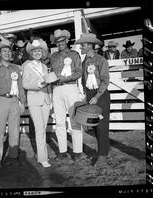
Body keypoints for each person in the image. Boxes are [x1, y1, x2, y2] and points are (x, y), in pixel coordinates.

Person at [0, 41, 26, 168]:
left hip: (14, 101)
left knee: (14, 130)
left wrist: (22, 102)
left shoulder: (16, 69)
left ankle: (13, 157)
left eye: (9, 51)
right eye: (4, 51)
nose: (7, 53)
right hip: (0, 101)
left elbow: (20, 87)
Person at [75, 33, 110, 167]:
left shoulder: (101, 60)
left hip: (100, 96)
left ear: (89, 45)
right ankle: (103, 151)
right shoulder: (84, 62)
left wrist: (96, 96)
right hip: (90, 95)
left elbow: (105, 80)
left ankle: (102, 156)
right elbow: (84, 81)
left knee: (102, 126)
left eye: (82, 45)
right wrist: (86, 94)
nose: (81, 47)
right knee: (94, 126)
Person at [50, 29, 84, 162]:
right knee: (59, 121)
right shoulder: (53, 57)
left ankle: (77, 151)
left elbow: (79, 72)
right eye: (57, 42)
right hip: (57, 90)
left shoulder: (74, 54)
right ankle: (62, 151)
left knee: (75, 119)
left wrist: (65, 79)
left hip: (70, 88)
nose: (60, 43)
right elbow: (52, 74)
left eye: (62, 41)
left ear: (67, 41)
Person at [22, 39, 51, 168]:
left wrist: (50, 98)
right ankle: (42, 158)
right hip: (34, 98)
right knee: (39, 129)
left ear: (42, 52)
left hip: (45, 99)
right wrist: (38, 84)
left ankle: (42, 154)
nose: (37, 53)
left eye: (39, 50)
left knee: (43, 129)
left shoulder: (44, 66)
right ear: (31, 53)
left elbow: (48, 82)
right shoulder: (27, 65)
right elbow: (25, 83)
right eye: (35, 51)